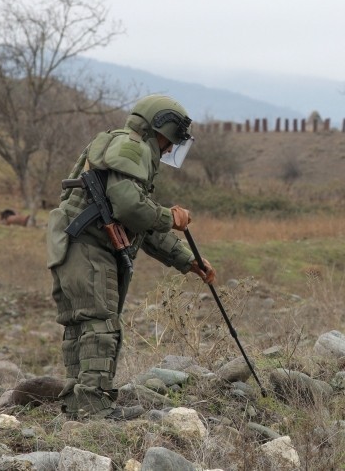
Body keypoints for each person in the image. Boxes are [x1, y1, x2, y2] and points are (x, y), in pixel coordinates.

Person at [45, 94, 216, 421]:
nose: (168, 149)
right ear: (159, 128)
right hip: (87, 246)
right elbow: (130, 207)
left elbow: (137, 224)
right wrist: (170, 216)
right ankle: (94, 408)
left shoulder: (118, 145)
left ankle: (77, 405)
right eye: (170, 141)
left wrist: (188, 260)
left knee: (81, 324)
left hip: (70, 244)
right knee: (99, 323)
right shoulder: (132, 147)